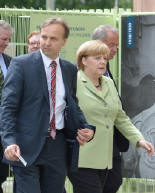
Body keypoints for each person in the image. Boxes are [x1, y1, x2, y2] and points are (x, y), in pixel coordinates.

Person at [0, 17, 95, 193]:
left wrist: (86, 128)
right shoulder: (21, 64)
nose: (47, 42)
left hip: (57, 146)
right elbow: (8, 108)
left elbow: (72, 105)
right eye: (44, 37)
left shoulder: (69, 70)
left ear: (64, 41)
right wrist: (9, 142)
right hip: (25, 146)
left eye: (53, 38)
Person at [68, 40, 154, 193]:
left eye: (105, 58)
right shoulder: (73, 82)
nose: (103, 62)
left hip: (106, 159)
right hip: (82, 157)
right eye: (97, 58)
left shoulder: (108, 83)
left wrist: (139, 139)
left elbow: (120, 117)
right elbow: (63, 114)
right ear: (84, 60)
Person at [92, 24, 129, 193]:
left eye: (116, 45)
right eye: (111, 44)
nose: (115, 49)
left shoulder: (106, 70)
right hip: (93, 140)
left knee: (114, 181)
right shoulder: (86, 72)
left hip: (111, 139)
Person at [0, 20, 13, 193]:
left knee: (2, 172)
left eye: (8, 39)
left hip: (5, 129)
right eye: (3, 39)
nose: (7, 43)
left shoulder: (10, 62)